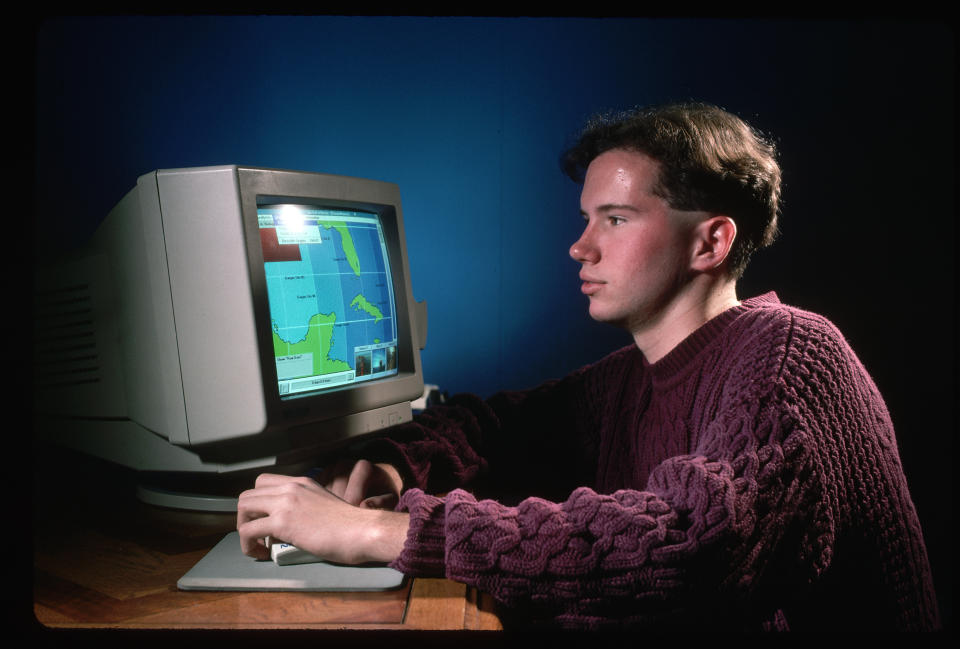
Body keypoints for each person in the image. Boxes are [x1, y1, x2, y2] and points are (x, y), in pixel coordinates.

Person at [237, 102, 940, 631]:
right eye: (585, 218)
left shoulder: (793, 354)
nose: (580, 247)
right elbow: (492, 425)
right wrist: (392, 465)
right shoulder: (629, 378)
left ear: (711, 241)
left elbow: (690, 542)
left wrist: (377, 532)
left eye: (616, 218)